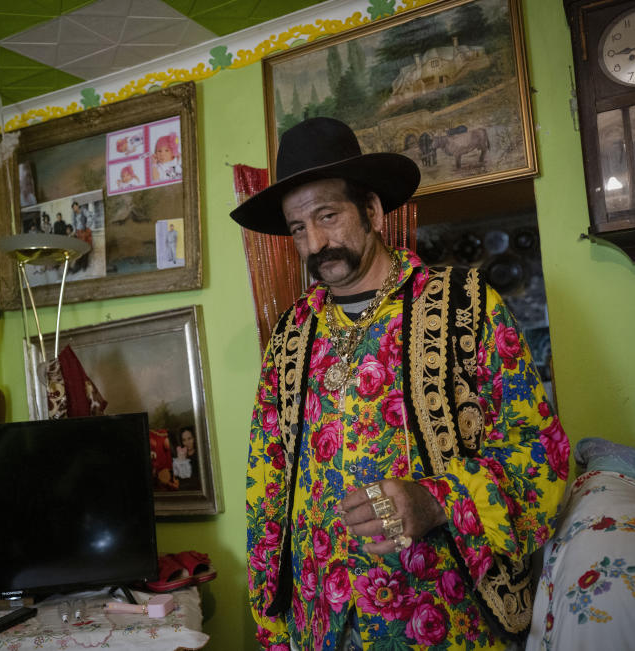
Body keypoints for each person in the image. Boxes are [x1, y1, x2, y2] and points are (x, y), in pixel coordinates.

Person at [231, 117, 568, 651]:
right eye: (299, 228)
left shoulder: (465, 304)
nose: (316, 243)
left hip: (446, 618)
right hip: (322, 625)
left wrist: (437, 501)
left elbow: (541, 458)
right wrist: (273, 623)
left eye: (328, 216)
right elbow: (267, 482)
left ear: (372, 211)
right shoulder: (291, 335)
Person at [172, 425, 200, 491]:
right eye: (184, 440)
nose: (187, 443)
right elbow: (177, 477)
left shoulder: (199, 456)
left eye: (189, 438)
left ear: (194, 438)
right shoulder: (180, 456)